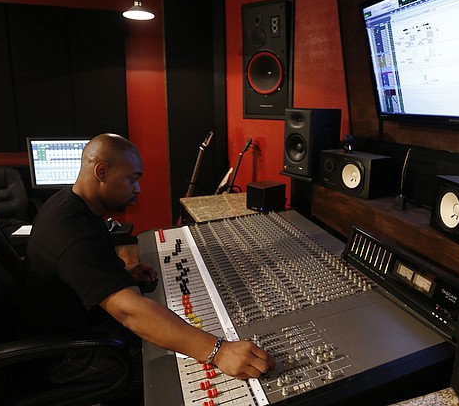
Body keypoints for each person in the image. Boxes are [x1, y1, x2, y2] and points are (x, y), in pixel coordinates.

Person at [18, 133, 274, 403]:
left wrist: (119, 277)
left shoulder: (69, 204)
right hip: (68, 357)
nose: (138, 189)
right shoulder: (73, 232)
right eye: (132, 179)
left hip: (76, 327)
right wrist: (219, 352)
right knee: (175, 376)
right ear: (102, 172)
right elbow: (130, 312)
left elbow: (79, 273)